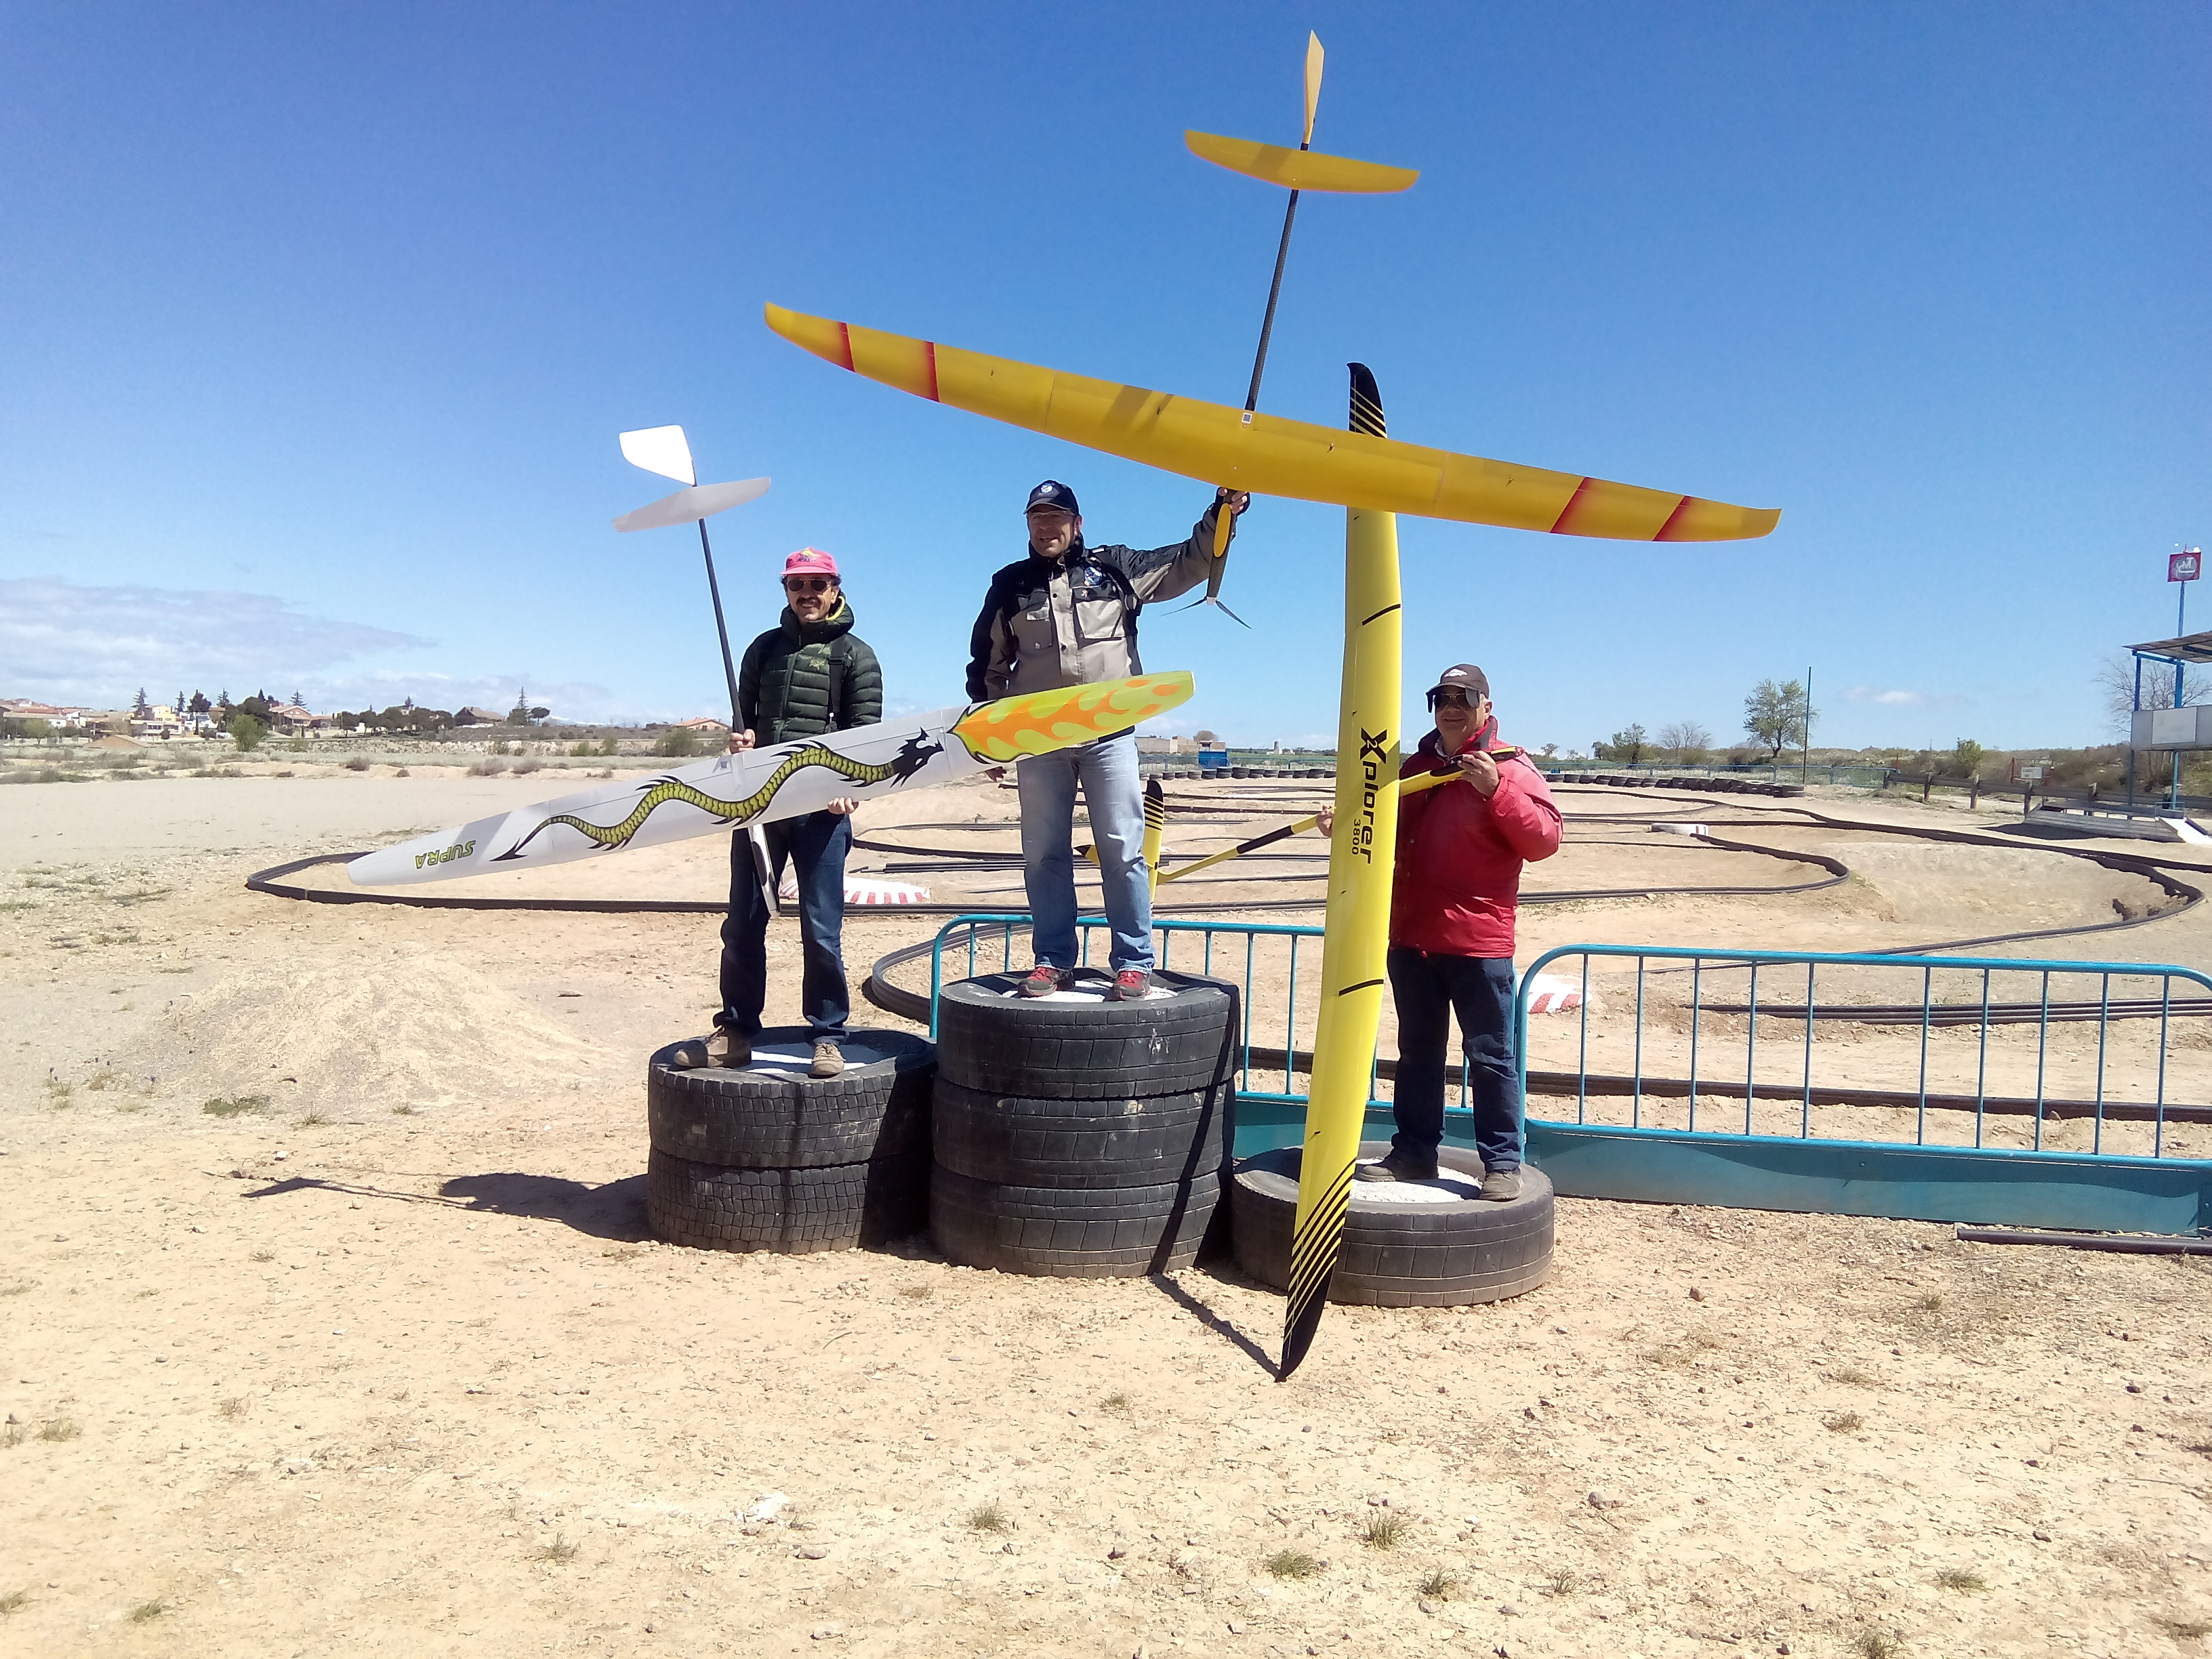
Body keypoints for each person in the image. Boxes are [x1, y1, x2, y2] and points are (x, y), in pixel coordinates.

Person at [967, 478, 1249, 1000]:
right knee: (1042, 854)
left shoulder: (1116, 568)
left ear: (1077, 523)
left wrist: (1223, 512)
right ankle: (1052, 961)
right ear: (1027, 526)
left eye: (1057, 517)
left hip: (1110, 736)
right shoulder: (1009, 584)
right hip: (1039, 741)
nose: (1047, 526)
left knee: (1122, 850)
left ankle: (1133, 962)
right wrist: (989, 738)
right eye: (1037, 518)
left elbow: (1189, 561)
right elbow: (988, 663)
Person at [1354, 663, 1560, 1194]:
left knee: (1491, 1057)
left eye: (1464, 697)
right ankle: (1414, 1154)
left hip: (1478, 943)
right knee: (1418, 1054)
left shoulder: (1510, 767)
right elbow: (1383, 838)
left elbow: (1544, 842)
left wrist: (1495, 791)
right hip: (1413, 941)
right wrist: (1348, 826)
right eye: (1442, 696)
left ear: (1486, 707)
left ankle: (1502, 1166)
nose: (1451, 706)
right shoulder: (1416, 766)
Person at [696, 548, 882, 1078]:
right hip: (759, 807)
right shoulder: (763, 649)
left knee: (821, 930)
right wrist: (741, 743)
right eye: (797, 585)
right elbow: (748, 724)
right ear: (786, 591)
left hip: (823, 813)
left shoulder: (856, 655)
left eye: (817, 584)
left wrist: (852, 790)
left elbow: (866, 739)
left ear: (836, 588)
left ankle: (827, 1036)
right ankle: (734, 1030)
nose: (808, 594)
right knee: (744, 923)